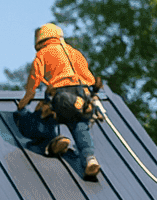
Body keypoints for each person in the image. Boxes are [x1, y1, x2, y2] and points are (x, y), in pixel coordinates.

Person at [14, 23, 102, 180]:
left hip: (61, 94)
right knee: (80, 125)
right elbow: (89, 79)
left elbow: (33, 82)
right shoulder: (75, 53)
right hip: (82, 97)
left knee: (45, 116)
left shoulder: (43, 54)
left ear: (40, 41)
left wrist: (23, 103)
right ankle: (89, 159)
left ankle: (53, 141)